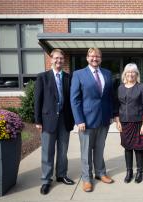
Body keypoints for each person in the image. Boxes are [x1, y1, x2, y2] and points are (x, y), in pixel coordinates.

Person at [70, 48, 114, 192]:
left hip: (103, 119)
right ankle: (87, 179)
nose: (95, 58)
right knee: (86, 151)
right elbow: (74, 99)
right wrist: (79, 120)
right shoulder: (78, 74)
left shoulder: (107, 73)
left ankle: (100, 173)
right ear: (87, 58)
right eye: (92, 56)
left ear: (101, 58)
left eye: (98, 56)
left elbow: (109, 97)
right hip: (86, 121)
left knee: (100, 149)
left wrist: (112, 114)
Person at [34, 48, 75, 195]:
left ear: (64, 60)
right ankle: (46, 180)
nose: (59, 61)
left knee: (63, 151)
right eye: (56, 58)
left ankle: (61, 175)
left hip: (65, 120)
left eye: (61, 58)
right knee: (47, 152)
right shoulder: (42, 77)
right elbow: (37, 100)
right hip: (48, 121)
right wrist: (38, 120)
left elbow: (73, 99)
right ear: (51, 59)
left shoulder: (69, 77)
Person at [115, 63, 143, 184]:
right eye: (128, 72)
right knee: (127, 148)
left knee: (138, 148)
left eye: (133, 72)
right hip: (124, 123)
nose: (130, 74)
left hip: (138, 122)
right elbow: (117, 106)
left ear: (136, 74)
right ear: (125, 74)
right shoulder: (120, 88)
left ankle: (139, 172)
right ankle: (129, 172)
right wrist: (117, 121)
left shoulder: (142, 87)